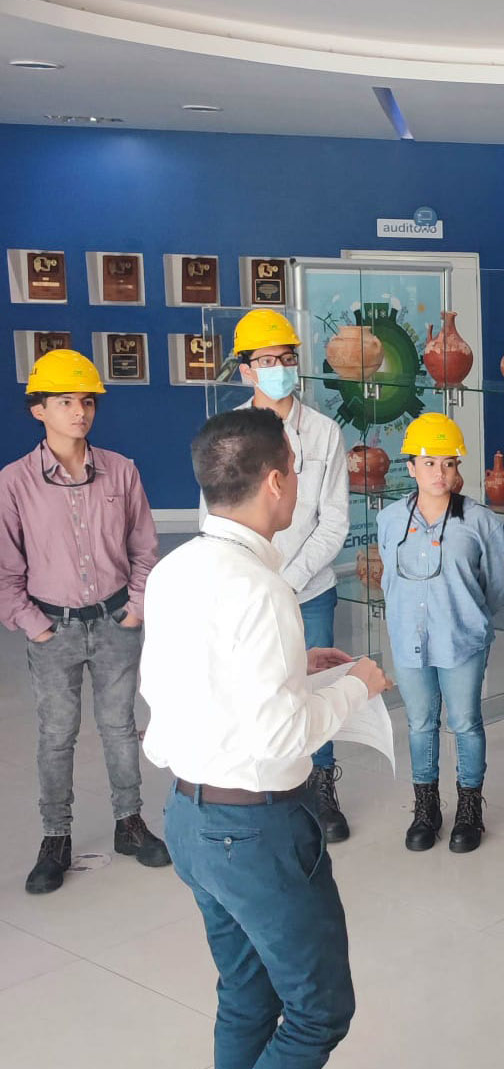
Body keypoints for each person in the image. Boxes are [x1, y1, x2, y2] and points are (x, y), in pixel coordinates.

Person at [140, 408, 390, 1069]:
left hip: (189, 821)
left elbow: (175, 688)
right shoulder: (263, 589)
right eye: (296, 469)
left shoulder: (174, 570)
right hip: (254, 835)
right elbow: (281, 736)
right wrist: (356, 685)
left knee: (246, 998)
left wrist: (293, 674)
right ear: (277, 482)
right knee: (318, 1011)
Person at [0, 349, 167, 895]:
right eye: (65, 401)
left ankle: (129, 822)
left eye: (87, 401)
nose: (79, 412)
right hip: (54, 627)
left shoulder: (121, 470)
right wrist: (34, 624)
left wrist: (136, 607)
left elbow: (144, 548)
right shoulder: (15, 483)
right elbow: (6, 567)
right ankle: (56, 836)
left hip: (116, 621)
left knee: (120, 727)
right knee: (56, 733)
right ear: (38, 410)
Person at [206, 308, 352, 842]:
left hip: (310, 590)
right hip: (246, 590)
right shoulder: (227, 435)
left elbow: (334, 521)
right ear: (244, 369)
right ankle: (266, 785)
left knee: (316, 685)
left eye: (285, 359)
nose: (277, 369)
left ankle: (321, 790)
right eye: (265, 360)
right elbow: (215, 517)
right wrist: (259, 583)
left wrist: (287, 580)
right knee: (260, 683)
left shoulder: (324, 432)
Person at [377, 413, 504, 854]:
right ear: (410, 467)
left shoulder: (481, 521)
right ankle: (426, 808)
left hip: (462, 638)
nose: (440, 473)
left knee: (466, 722)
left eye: (449, 464)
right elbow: (388, 579)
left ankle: (470, 808)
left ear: (459, 469)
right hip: (409, 638)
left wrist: (467, 618)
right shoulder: (391, 520)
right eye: (430, 463)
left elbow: (494, 584)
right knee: (419, 723)